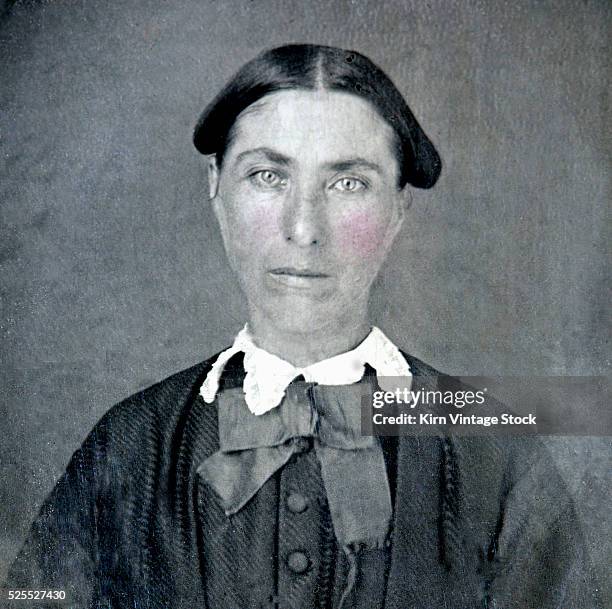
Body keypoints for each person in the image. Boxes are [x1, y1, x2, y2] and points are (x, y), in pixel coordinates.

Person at [6, 44, 601, 609]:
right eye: (268, 175)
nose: (304, 229)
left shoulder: (497, 449)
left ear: (399, 208)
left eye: (349, 183)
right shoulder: (129, 444)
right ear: (216, 186)